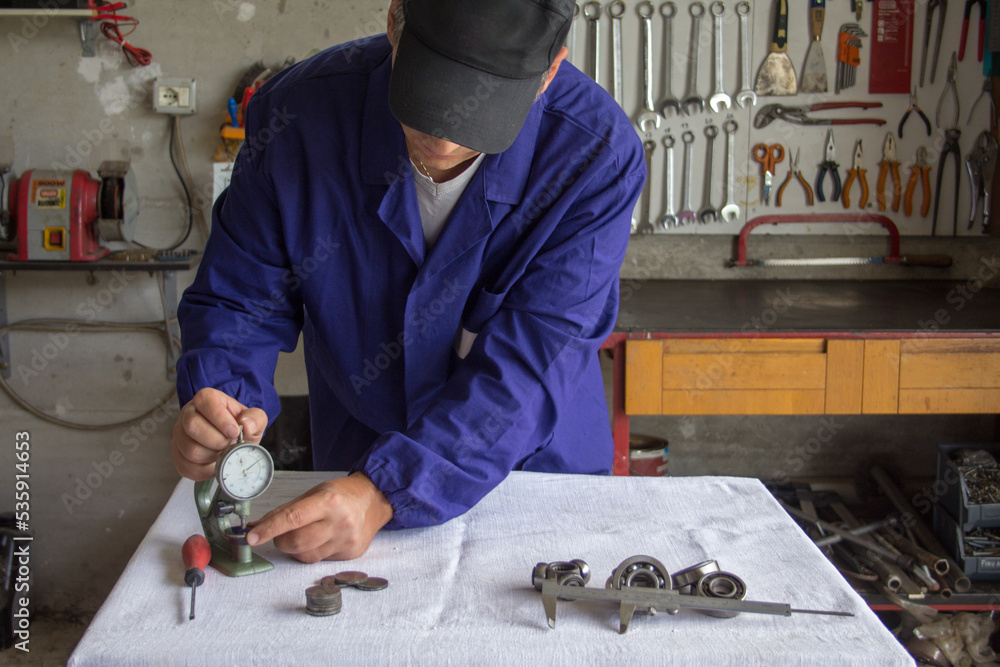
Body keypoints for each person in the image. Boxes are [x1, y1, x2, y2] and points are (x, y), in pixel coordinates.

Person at [171, 0, 645, 563]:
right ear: (395, 24)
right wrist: (222, 407)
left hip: (531, 472)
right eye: (425, 101)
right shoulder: (297, 119)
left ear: (548, 72)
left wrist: (388, 488)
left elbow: (530, 364)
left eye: (478, 119)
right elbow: (238, 300)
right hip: (354, 464)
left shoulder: (594, 156)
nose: (443, 144)